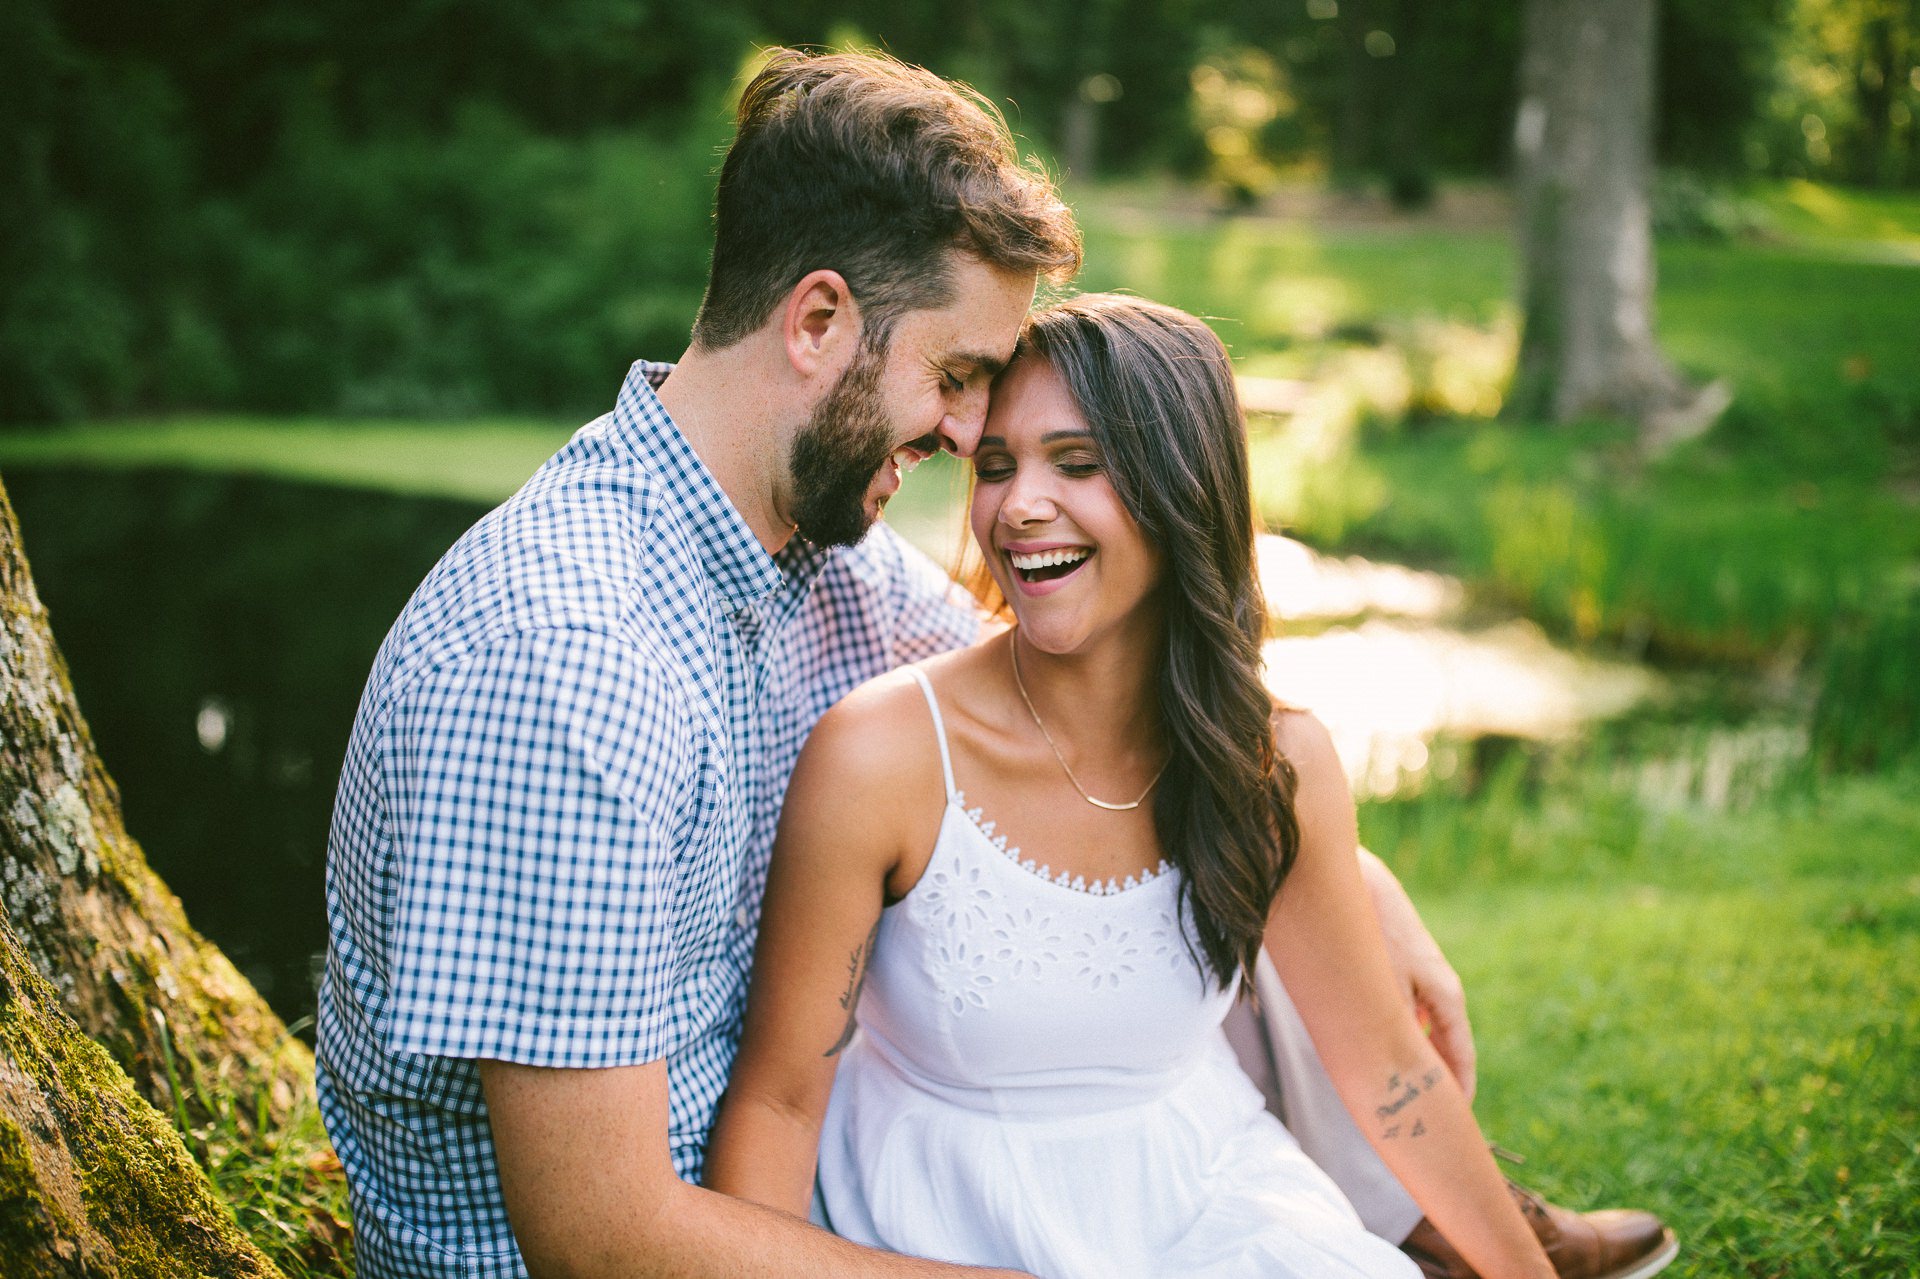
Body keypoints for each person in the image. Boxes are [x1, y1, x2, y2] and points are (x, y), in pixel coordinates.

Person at [318, 44, 1670, 1279]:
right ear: (817, 323)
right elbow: (601, 1235)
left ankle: (1451, 1220)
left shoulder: (810, 557)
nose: (974, 437)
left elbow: (1098, 725)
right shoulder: (569, 663)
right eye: (960, 374)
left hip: (795, 1195)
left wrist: (1354, 877)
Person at [704, 296, 1673, 1279]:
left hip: (1206, 1196)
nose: (1019, 504)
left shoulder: (1273, 762)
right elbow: (780, 1101)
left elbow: (1390, 1073)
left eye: (1077, 464)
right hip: (940, 1219)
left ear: (1183, 488)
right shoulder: (880, 755)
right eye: (996, 466)